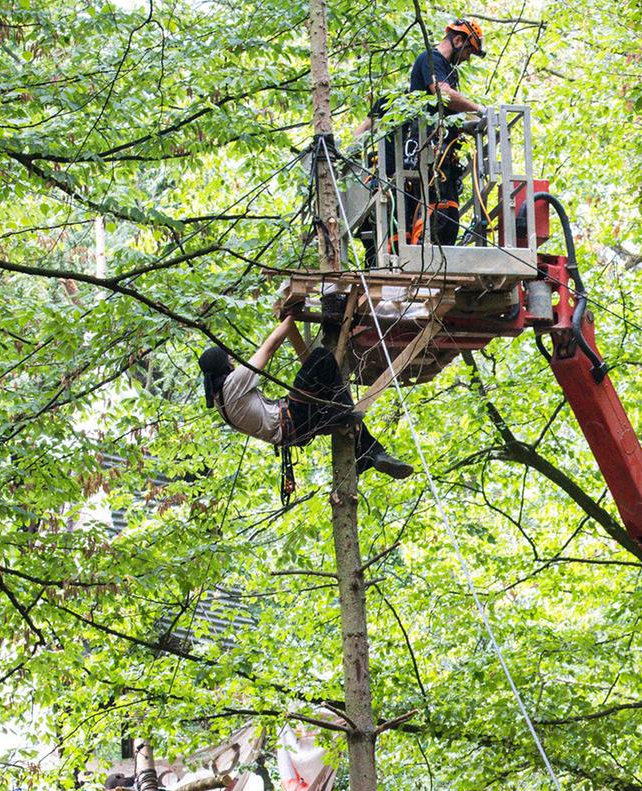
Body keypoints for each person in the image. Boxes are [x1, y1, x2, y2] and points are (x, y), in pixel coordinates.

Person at [199, 300, 412, 479]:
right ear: (224, 365)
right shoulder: (233, 385)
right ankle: (345, 414)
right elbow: (269, 347)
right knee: (321, 357)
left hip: (297, 431)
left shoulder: (220, 400)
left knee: (333, 402)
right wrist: (292, 315)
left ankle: (373, 454)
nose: (233, 361)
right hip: (294, 418)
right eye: (229, 359)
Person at [359, 18, 488, 248]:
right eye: (469, 51)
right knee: (431, 214)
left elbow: (448, 109)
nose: (467, 58)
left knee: (442, 217)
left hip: (439, 161)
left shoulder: (449, 71)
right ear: (459, 41)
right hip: (425, 154)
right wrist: (479, 110)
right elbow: (442, 93)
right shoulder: (430, 60)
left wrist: (470, 123)